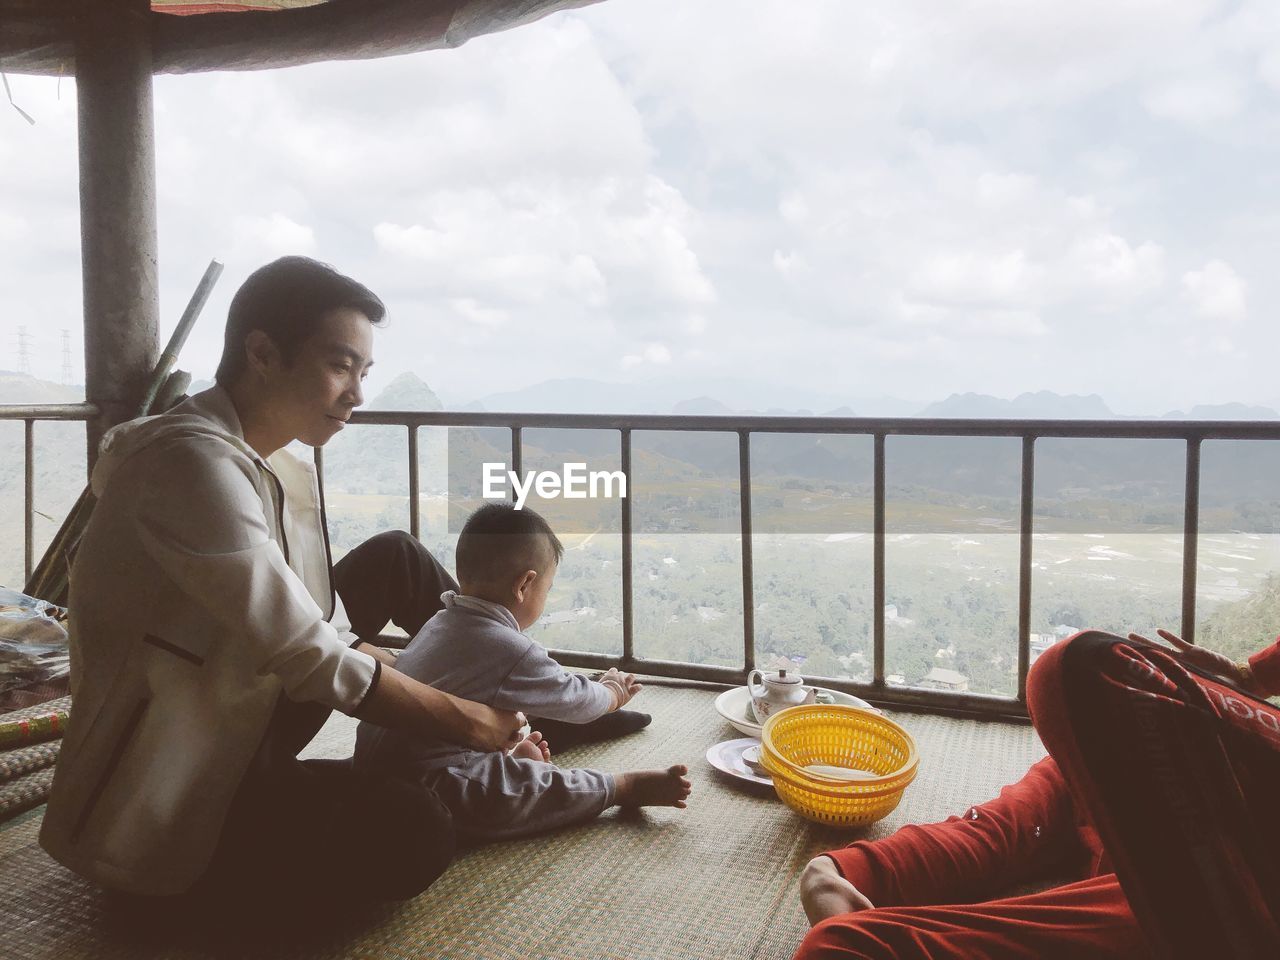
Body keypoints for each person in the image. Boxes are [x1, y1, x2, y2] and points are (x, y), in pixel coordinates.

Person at [39, 256, 527, 907]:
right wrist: (466, 722)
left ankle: (527, 694)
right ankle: (513, 713)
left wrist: (375, 659)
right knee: (415, 829)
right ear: (263, 353)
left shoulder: (271, 463)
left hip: (239, 700)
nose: (356, 392)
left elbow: (308, 623)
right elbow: (304, 652)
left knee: (395, 556)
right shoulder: (187, 465)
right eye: (339, 365)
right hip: (166, 785)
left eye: (363, 372)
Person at [793, 628, 1280, 960]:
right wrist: (835, 873)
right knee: (841, 946)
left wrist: (1255, 675)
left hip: (1231, 868)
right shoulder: (1092, 781)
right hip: (1194, 902)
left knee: (1082, 662)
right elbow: (998, 831)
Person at [354, 502, 692, 843]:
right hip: (428, 783)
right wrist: (611, 692)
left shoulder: (439, 622)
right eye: (547, 588)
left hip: (371, 764)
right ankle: (620, 787)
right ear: (525, 585)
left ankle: (514, 758)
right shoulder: (510, 648)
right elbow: (579, 702)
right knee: (532, 791)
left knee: (498, 754)